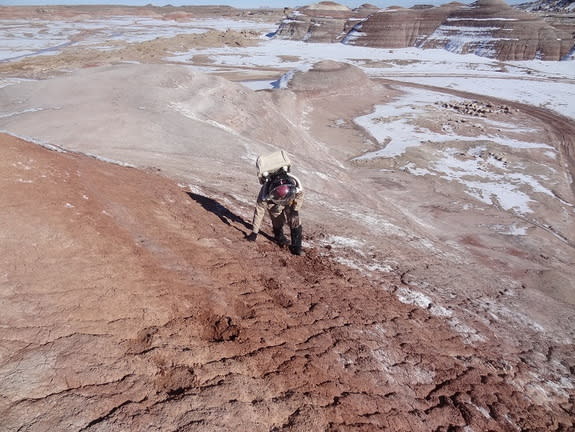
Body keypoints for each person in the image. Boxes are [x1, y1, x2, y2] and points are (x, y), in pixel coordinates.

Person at [246, 167, 304, 256]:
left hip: (290, 201)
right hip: (274, 204)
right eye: (279, 197)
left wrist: (295, 209)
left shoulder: (294, 185)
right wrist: (254, 232)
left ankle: (297, 247)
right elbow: (259, 212)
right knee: (277, 218)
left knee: (294, 219)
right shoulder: (264, 194)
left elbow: (300, 195)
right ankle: (279, 236)